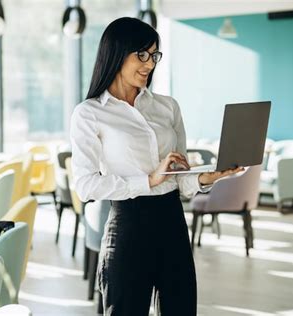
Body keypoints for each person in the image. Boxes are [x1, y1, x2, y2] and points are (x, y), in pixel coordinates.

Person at [70, 17, 243, 315]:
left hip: (172, 221)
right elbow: (86, 185)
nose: (149, 64)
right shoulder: (89, 114)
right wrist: (148, 180)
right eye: (142, 55)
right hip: (128, 226)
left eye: (154, 56)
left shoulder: (167, 107)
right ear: (116, 53)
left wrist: (207, 177)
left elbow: (180, 181)